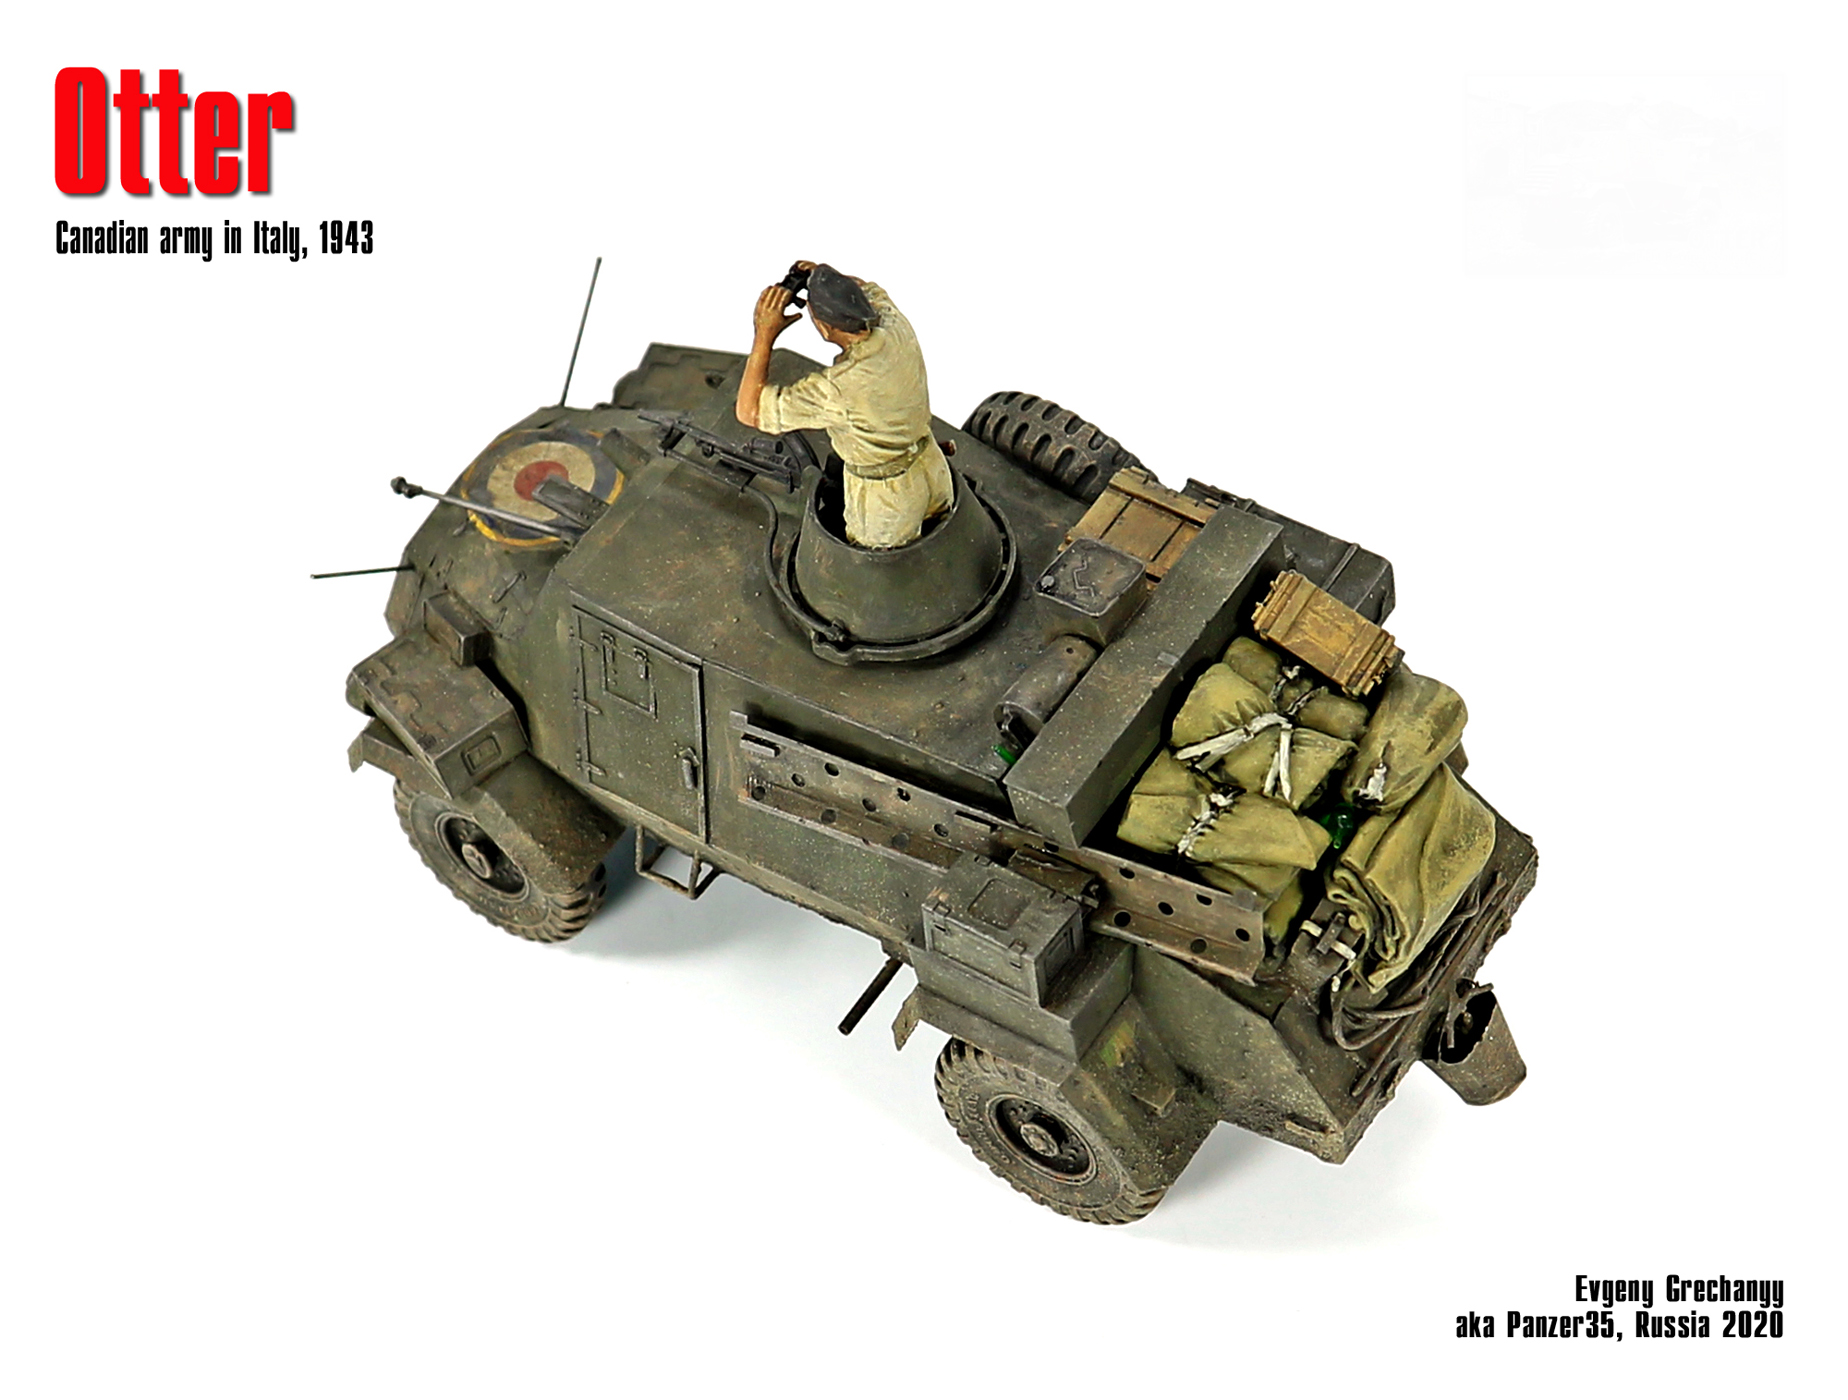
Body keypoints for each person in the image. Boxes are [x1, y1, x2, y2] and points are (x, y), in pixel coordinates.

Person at [735, 262, 953, 549]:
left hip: (887, 498)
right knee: (943, 532)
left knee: (871, 562)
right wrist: (825, 278)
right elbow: (867, 289)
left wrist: (765, 333)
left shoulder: (837, 388)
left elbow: (748, 411)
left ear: (825, 329)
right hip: (931, 466)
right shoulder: (895, 326)